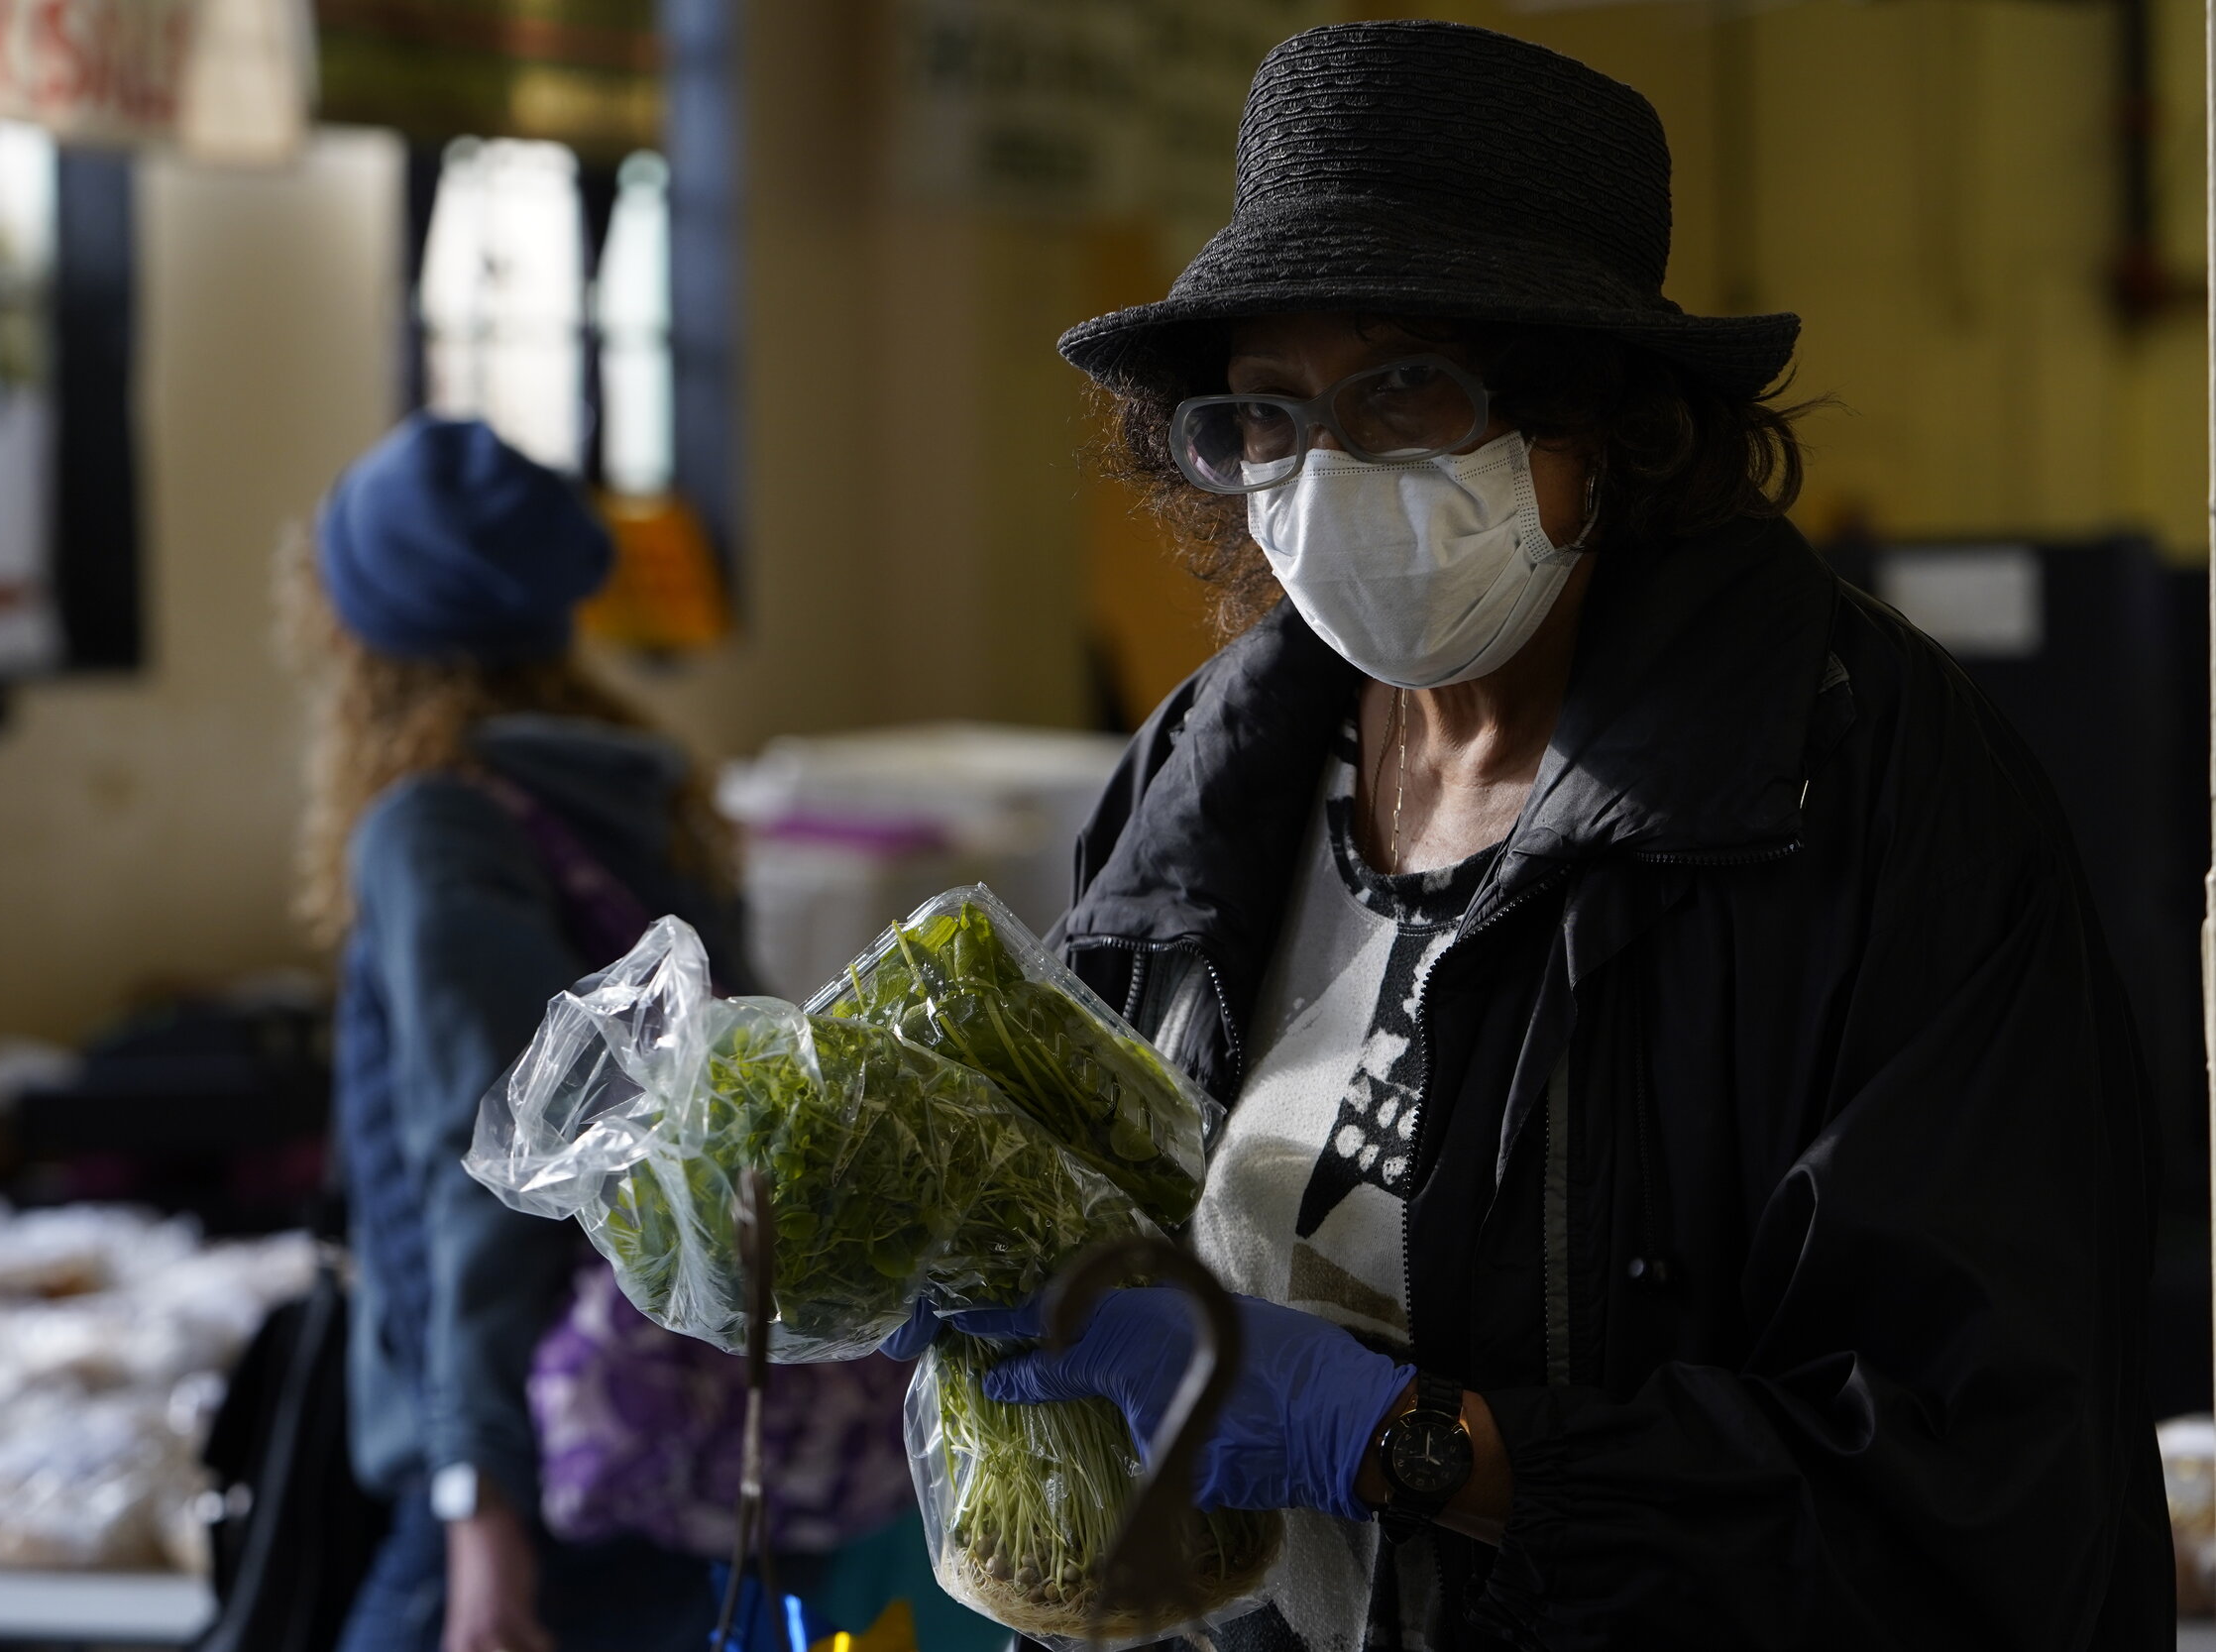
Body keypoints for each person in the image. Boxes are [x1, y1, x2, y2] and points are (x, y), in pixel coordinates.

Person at [892, 20, 2169, 1650]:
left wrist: (1417, 1447)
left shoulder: (1863, 793)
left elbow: (1989, 1493)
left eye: (1405, 392)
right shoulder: (1202, 778)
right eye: (1266, 414)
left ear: (1606, 424)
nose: (1322, 477)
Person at [289, 415, 747, 1652]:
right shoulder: (643, 795)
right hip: (665, 1436)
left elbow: (491, 1170)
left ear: (355, 621)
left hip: (527, 1479)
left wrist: (476, 1507)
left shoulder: (434, 825)